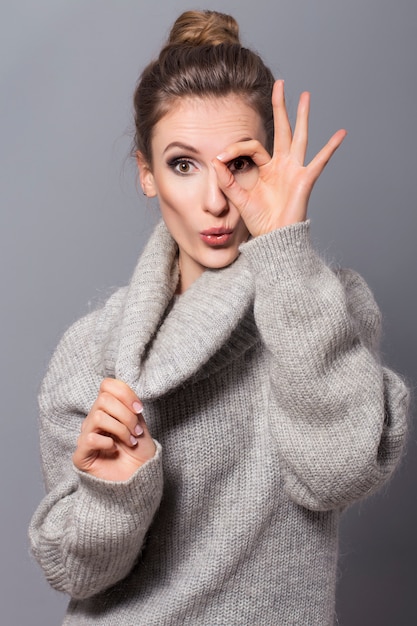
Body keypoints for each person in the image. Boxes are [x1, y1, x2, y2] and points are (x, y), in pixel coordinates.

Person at [29, 9, 409, 626]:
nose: (215, 200)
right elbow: (73, 572)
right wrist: (114, 496)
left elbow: (337, 473)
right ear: (147, 174)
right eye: (183, 164)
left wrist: (285, 253)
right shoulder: (93, 349)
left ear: (271, 164)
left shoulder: (324, 306)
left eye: (239, 163)